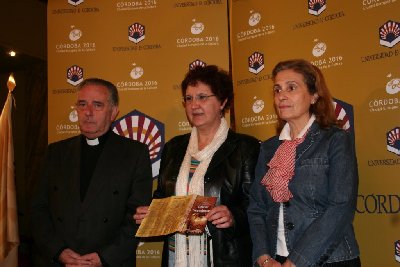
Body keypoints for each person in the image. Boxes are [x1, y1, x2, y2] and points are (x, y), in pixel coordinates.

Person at [134, 65, 260, 266]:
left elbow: (256, 205)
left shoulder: (245, 147)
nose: (194, 105)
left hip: (224, 257)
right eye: (189, 98)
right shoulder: (174, 147)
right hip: (177, 257)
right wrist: (152, 212)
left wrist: (233, 216)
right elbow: (163, 197)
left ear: (222, 101)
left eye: (202, 97)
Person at [248, 59, 360, 267]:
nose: (281, 95)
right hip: (276, 260)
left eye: (291, 87)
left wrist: (297, 260)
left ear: (314, 95)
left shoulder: (335, 140)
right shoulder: (269, 148)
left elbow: (341, 206)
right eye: (277, 89)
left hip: (329, 259)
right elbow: (257, 207)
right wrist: (263, 257)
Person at [30, 78, 153, 267]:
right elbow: (38, 209)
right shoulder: (56, 152)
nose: (88, 113)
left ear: (113, 112)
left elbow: (137, 217)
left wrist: (104, 257)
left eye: (97, 105)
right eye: (82, 104)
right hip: (60, 261)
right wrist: (58, 251)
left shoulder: (135, 154)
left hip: (110, 261)